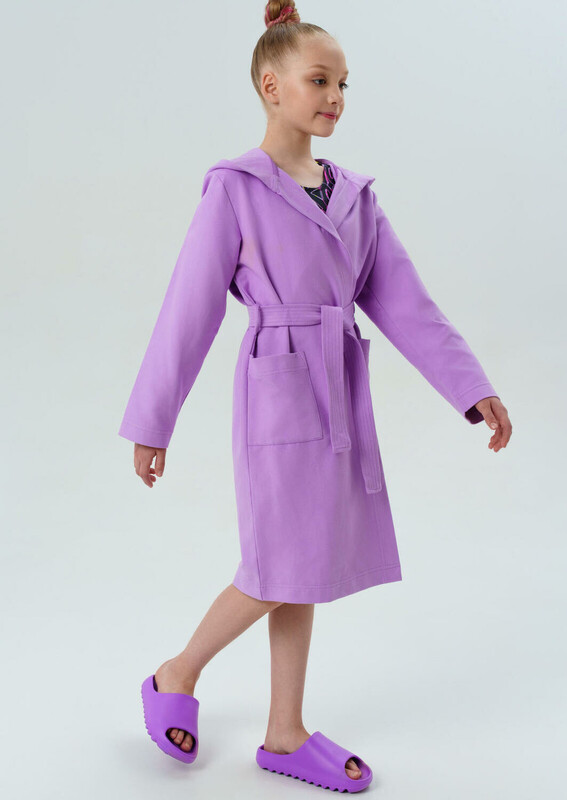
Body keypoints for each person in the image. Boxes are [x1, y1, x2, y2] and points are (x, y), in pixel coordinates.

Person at [121, 1, 512, 791]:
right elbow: (187, 310)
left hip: (338, 391)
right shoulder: (234, 189)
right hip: (278, 386)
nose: (335, 96)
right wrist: (153, 420)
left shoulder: (355, 195)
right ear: (271, 86)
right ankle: (176, 673)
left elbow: (405, 301)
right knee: (277, 563)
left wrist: (471, 389)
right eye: (318, 80)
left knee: (302, 562)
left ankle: (283, 732)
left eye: (343, 84)